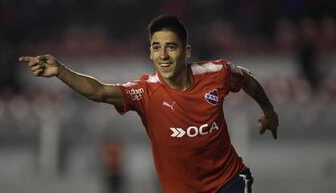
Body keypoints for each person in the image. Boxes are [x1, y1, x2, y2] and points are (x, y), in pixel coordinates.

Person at [19, 15, 279, 193]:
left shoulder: (216, 73)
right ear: (150, 52)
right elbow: (99, 92)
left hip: (229, 183)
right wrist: (61, 71)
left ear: (186, 51)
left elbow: (247, 80)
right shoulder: (145, 92)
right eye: (156, 47)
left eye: (170, 47)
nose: (163, 55)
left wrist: (269, 112)